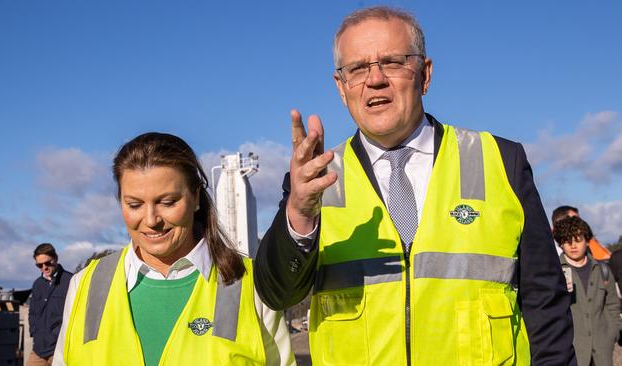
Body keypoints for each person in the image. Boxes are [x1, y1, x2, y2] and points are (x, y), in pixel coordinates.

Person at [253, 6, 576, 365]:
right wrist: (298, 212)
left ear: (425, 74)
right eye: (357, 68)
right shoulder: (314, 180)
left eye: (392, 62)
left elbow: (545, 303)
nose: (374, 79)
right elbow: (277, 293)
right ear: (341, 87)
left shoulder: (500, 160)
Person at [53, 132, 295, 365]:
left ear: (196, 197)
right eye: (134, 204)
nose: (151, 220)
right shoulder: (85, 285)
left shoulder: (250, 284)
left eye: (167, 202)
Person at [554, 216, 621, 366]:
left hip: (602, 348)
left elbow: (613, 304)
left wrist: (613, 332)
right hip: (571, 350)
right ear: (560, 243)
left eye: (577, 240)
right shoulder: (555, 271)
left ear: (587, 240)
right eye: (567, 241)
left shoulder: (603, 269)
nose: (573, 246)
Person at [27, 243, 72, 366]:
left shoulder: (71, 281)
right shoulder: (37, 284)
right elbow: (32, 312)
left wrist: (58, 336)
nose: (44, 268)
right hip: (39, 350)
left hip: (60, 350)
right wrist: (34, 332)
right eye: (39, 265)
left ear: (55, 258)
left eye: (47, 263)